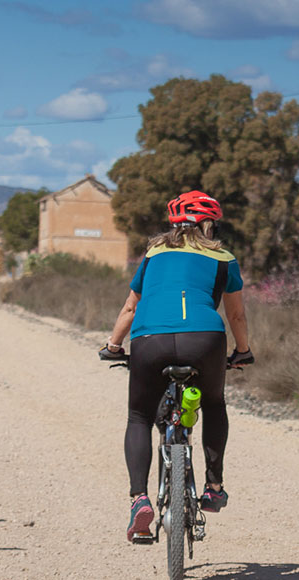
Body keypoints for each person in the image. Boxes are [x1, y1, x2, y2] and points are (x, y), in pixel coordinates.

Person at [101, 190, 255, 543]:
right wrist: (243, 350)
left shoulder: (154, 254)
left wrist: (112, 346)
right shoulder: (223, 257)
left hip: (149, 339)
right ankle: (213, 486)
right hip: (205, 338)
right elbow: (235, 313)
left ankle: (139, 498)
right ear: (206, 223)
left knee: (139, 417)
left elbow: (130, 308)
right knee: (213, 403)